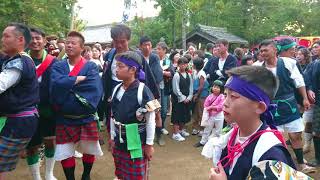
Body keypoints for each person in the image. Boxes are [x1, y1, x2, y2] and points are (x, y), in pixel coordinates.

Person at [204, 66, 295, 180]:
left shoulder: (271, 155)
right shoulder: (234, 134)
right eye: (225, 95)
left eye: (233, 96)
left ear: (260, 107)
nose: (225, 103)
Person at [49, 31, 103, 180]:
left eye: (73, 43)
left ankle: (86, 175)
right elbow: (54, 84)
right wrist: (76, 80)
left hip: (86, 116)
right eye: (67, 42)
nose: (69, 45)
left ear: (81, 48)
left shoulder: (91, 66)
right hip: (65, 117)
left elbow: (94, 89)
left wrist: (66, 84)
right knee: (65, 151)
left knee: (89, 149)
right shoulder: (58, 66)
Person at [259, 39, 315, 173]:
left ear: (274, 49)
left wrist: (305, 99)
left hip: (289, 104)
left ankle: (301, 164)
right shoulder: (258, 68)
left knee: (295, 135)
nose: (262, 53)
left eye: (265, 50)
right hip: (270, 107)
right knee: (273, 137)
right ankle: (280, 164)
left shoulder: (289, 62)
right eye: (261, 51)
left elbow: (299, 81)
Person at [0, 23, 39, 179]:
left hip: (18, 123)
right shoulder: (12, 58)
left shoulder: (19, 62)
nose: (3, 39)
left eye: (6, 36)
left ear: (20, 39)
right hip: (17, 121)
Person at [109, 51, 157, 179]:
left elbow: (151, 120)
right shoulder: (116, 89)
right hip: (119, 139)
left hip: (135, 137)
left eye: (120, 66)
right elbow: (112, 115)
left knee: (135, 172)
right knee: (120, 171)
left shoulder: (143, 90)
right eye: (116, 66)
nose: (116, 69)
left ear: (132, 69)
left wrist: (149, 144)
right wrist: (112, 137)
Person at [27, 27, 58, 180]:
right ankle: (36, 177)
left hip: (48, 109)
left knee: (51, 141)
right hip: (28, 110)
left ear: (44, 41)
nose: (35, 41)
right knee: (32, 146)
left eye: (38, 38)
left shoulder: (54, 62)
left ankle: (49, 174)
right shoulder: (21, 60)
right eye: (31, 38)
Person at [139, 36, 164, 146]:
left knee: (156, 114)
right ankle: (144, 137)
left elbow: (157, 75)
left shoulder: (154, 58)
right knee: (141, 115)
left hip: (153, 91)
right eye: (145, 44)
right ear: (140, 46)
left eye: (149, 44)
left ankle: (159, 137)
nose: (148, 47)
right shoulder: (138, 57)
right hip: (140, 92)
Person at [194, 80, 224, 147]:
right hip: (211, 115)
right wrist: (211, 107)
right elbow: (205, 105)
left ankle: (217, 143)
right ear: (212, 88)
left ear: (221, 89)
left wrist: (211, 107)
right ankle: (203, 142)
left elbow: (221, 107)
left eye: (217, 87)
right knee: (207, 129)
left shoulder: (222, 96)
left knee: (218, 130)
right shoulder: (210, 96)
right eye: (214, 87)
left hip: (219, 115)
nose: (215, 88)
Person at [304, 43, 320, 166]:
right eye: (313, 47)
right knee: (317, 131)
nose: (314, 49)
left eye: (316, 47)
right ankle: (318, 159)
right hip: (317, 102)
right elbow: (307, 78)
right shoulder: (313, 64)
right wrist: (309, 89)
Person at [171, 57, 193, 141]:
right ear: (178, 65)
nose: (183, 65)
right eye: (181, 64)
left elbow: (190, 87)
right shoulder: (176, 75)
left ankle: (181, 130)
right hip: (179, 100)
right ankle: (175, 133)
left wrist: (189, 97)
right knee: (177, 116)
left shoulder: (189, 75)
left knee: (185, 115)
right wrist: (183, 98)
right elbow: (175, 89)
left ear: (187, 64)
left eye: (185, 64)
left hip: (187, 99)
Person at [156, 42, 174, 138]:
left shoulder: (168, 61)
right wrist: (163, 72)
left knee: (163, 110)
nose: (157, 51)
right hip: (155, 88)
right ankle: (155, 127)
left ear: (164, 50)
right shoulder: (153, 60)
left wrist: (161, 72)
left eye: (159, 49)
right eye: (157, 49)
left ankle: (161, 126)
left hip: (165, 87)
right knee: (155, 108)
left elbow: (171, 73)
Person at [191, 57, 209, 135]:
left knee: (201, 112)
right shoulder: (195, 72)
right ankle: (195, 127)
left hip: (201, 95)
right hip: (197, 94)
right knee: (195, 112)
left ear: (195, 65)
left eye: (193, 64)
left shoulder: (201, 73)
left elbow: (201, 86)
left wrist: (196, 95)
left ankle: (202, 129)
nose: (192, 65)